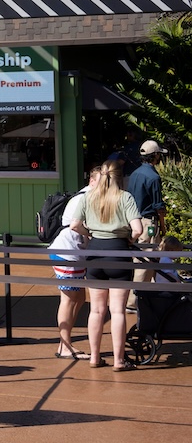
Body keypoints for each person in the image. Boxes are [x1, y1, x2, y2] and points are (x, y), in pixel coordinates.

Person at [69, 157, 143, 370]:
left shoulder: (88, 197)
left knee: (96, 310)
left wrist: (90, 234)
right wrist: (129, 239)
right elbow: (137, 229)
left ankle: (95, 356)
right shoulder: (125, 197)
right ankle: (119, 360)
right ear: (120, 177)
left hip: (95, 253)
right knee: (118, 311)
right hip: (118, 253)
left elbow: (75, 225)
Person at [50, 165, 97, 360]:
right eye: (102, 181)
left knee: (78, 298)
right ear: (92, 180)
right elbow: (76, 226)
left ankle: (66, 343)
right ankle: (64, 345)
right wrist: (92, 233)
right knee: (68, 299)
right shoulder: (85, 198)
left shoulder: (87, 197)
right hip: (67, 253)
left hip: (74, 253)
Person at [126, 140, 166, 299]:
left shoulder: (135, 174)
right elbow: (159, 206)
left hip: (134, 221)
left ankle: (144, 295)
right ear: (155, 155)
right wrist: (163, 225)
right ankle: (135, 299)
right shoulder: (154, 177)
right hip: (148, 222)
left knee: (138, 258)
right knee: (146, 259)